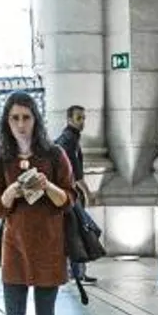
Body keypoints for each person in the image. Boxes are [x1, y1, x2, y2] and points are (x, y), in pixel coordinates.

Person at [0, 91, 75, 315]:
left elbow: (68, 199)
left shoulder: (54, 155)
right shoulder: (3, 159)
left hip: (48, 245)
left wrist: (47, 184)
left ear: (35, 120)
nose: (21, 124)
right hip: (14, 246)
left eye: (26, 117)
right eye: (15, 118)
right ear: (7, 122)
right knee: (13, 311)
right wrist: (10, 192)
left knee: (44, 313)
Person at [54, 104, 98, 284]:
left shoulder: (69, 138)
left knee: (76, 231)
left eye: (84, 118)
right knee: (79, 231)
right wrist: (88, 193)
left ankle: (76, 272)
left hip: (68, 194)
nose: (83, 122)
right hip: (71, 194)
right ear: (69, 119)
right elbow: (75, 173)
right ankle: (76, 272)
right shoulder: (69, 140)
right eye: (79, 118)